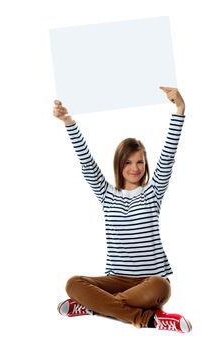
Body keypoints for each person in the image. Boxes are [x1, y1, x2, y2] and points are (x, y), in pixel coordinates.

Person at [53, 87, 192, 332]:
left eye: (140, 161)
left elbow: (168, 156)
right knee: (73, 284)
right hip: (115, 281)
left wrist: (180, 111)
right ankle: (149, 319)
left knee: (163, 287)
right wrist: (69, 122)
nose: (135, 168)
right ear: (119, 164)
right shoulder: (107, 194)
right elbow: (87, 163)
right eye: (128, 161)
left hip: (149, 283)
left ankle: (93, 307)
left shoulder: (153, 192)